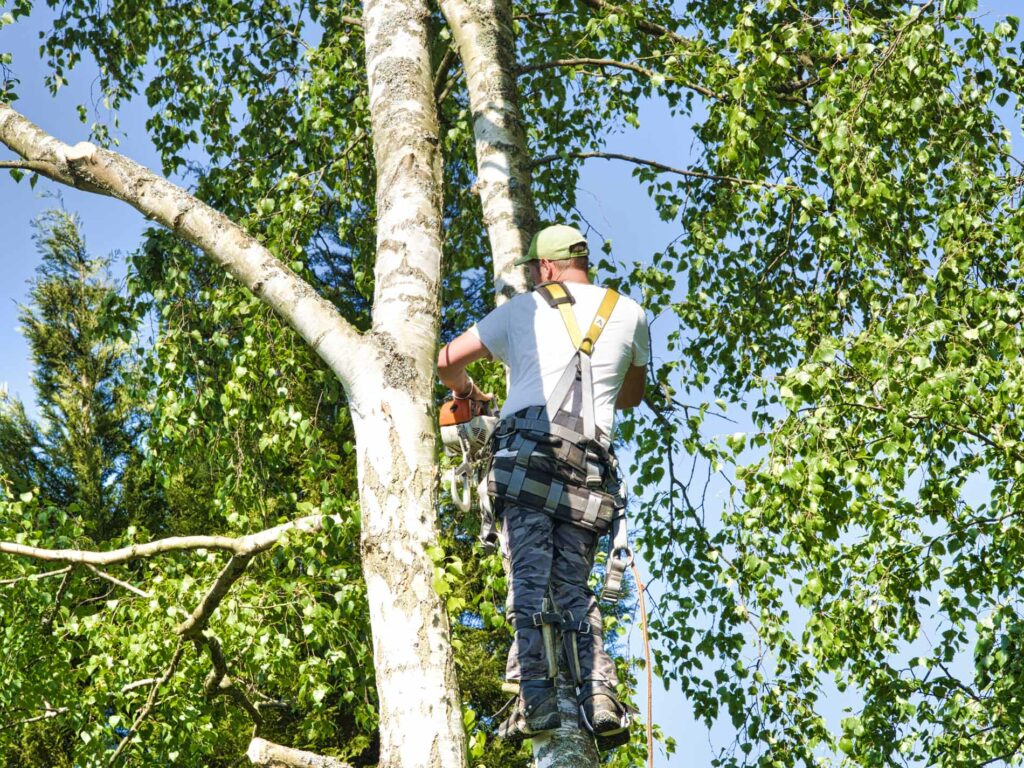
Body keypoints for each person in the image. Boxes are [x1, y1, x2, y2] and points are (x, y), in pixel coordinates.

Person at [437, 224, 650, 747]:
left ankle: (538, 698)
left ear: (547, 268)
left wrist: (471, 391)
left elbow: (446, 362)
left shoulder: (524, 309)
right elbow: (630, 396)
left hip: (528, 461)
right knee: (574, 589)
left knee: (529, 580)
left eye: (536, 269)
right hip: (590, 471)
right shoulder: (629, 313)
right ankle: (598, 696)